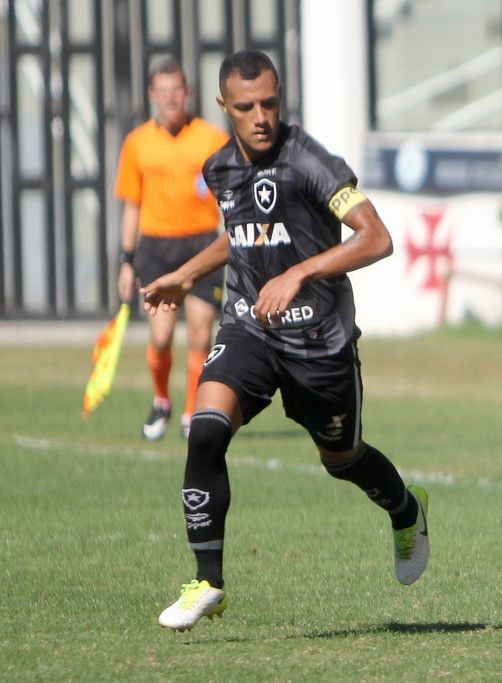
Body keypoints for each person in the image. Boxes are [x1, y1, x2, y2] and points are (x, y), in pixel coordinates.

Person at [142, 50, 430, 631]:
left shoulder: (312, 163)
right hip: (250, 327)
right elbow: (241, 235)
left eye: (269, 103)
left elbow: (377, 238)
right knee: (205, 431)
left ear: (281, 99)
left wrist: (300, 272)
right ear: (223, 106)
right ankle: (208, 582)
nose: (260, 116)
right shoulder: (219, 167)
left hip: (318, 344)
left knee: (342, 459)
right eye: (245, 106)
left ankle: (406, 510)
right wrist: (187, 273)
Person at [114, 58, 230, 440]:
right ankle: (161, 399)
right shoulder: (137, 143)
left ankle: (192, 411)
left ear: (188, 92)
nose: (170, 98)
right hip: (157, 249)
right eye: (162, 91)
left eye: (176, 90)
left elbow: (228, 196)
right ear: (152, 95)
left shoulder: (212, 139)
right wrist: (126, 261)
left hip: (201, 246)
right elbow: (132, 204)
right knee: (161, 336)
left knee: (200, 332)